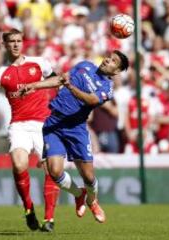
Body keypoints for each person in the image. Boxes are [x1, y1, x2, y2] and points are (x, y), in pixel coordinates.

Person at [20, 50, 129, 223]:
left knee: (88, 177)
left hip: (76, 129)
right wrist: (34, 85)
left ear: (116, 71)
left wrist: (71, 87)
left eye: (114, 61)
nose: (108, 60)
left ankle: (92, 201)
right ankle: (79, 194)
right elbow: (60, 79)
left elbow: (91, 100)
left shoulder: (107, 88)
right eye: (109, 57)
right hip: (54, 123)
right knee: (55, 171)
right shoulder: (85, 65)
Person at [0, 29, 62, 232]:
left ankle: (49, 219)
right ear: (4, 45)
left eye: (18, 41)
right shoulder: (0, 75)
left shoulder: (39, 63)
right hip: (19, 125)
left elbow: (58, 81)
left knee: (51, 168)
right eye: (11, 42)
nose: (16, 44)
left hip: (44, 123)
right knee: (18, 164)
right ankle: (28, 208)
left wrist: (61, 110)